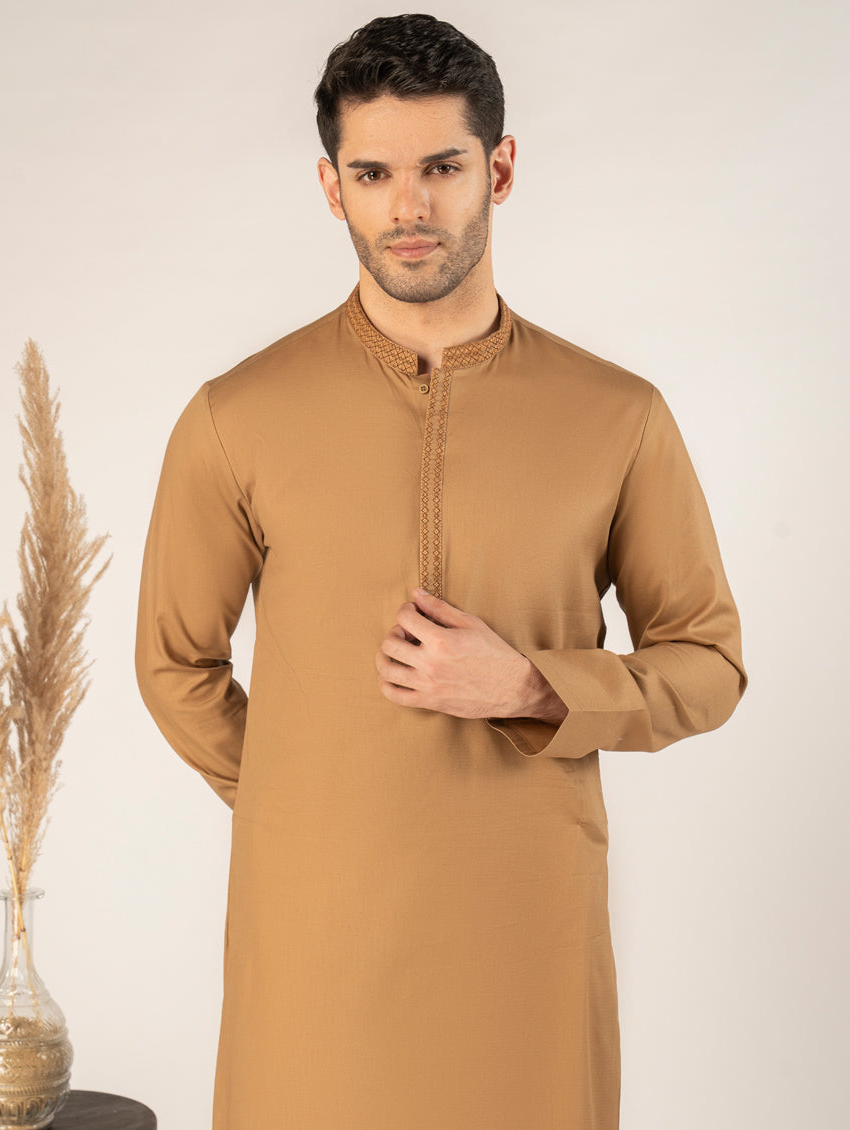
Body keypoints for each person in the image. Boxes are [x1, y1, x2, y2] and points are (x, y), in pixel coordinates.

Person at [135, 13, 746, 1130]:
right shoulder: (237, 417)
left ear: (499, 170)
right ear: (332, 188)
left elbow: (708, 663)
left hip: (528, 929)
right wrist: (303, 803)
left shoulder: (617, 415)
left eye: (441, 168)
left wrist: (534, 686)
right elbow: (176, 663)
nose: (407, 207)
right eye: (373, 174)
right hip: (314, 937)